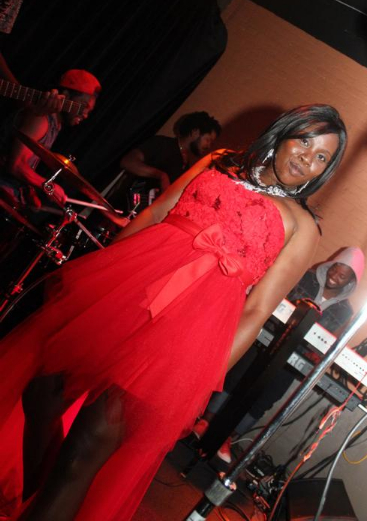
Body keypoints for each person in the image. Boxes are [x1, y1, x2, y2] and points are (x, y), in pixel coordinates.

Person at [0, 104, 347, 521]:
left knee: (90, 442)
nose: (308, 158)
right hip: (130, 291)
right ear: (283, 133)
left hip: (182, 335)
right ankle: (46, 493)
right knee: (44, 390)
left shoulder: (302, 226)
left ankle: (53, 499)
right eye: (304, 141)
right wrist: (103, 275)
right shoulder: (220, 162)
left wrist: (200, 377)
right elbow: (156, 213)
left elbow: (256, 310)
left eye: (321, 157)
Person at [192, 247, 365, 463]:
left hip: (296, 356)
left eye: (341, 276)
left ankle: (228, 438)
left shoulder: (345, 311)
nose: (334, 276)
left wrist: (317, 353)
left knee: (266, 398)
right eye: (334, 269)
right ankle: (206, 421)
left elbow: (329, 340)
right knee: (237, 377)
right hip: (269, 334)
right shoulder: (306, 278)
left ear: (350, 282)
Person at [0, 69, 101, 209]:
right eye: (83, 106)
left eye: (89, 111)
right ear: (65, 96)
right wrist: (49, 186)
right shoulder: (42, 118)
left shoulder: (55, 124)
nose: (85, 115)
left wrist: (30, 192)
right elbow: (16, 166)